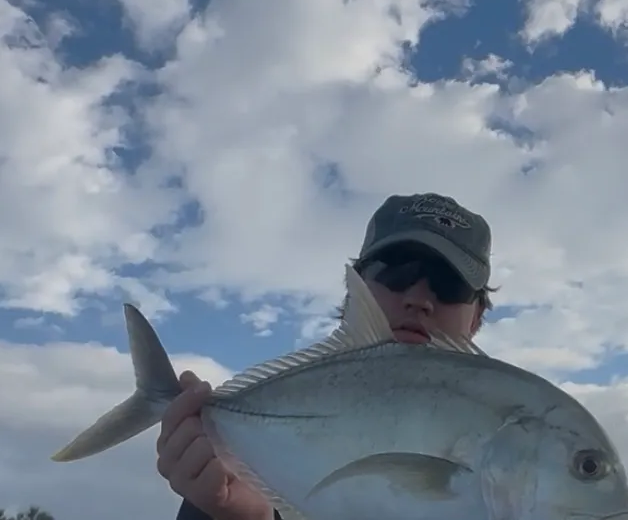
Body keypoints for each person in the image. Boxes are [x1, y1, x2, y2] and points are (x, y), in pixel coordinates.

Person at [160, 192, 496, 520]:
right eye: (396, 273)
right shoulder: (250, 462)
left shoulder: (515, 451)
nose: (418, 298)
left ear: (477, 316)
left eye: (449, 285)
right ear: (355, 292)